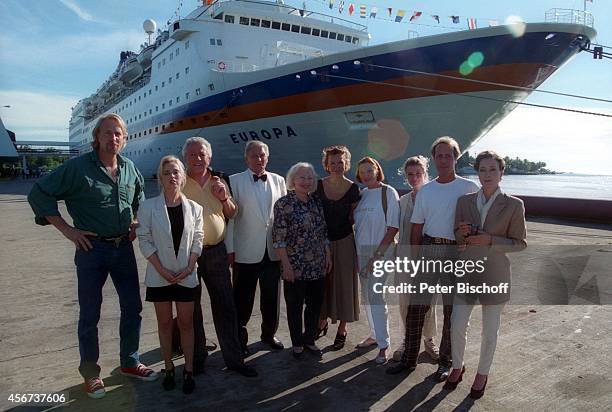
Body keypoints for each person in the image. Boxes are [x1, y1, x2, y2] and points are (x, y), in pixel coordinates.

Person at [27, 113, 157, 399]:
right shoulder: (77, 168)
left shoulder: (129, 168)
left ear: (124, 139)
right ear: (97, 137)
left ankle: (130, 362)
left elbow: (140, 200)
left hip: (122, 247)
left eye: (118, 134)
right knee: (90, 314)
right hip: (91, 249)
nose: (113, 138)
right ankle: (91, 374)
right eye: (108, 133)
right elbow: (39, 193)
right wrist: (67, 230)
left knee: (133, 308)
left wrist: (137, 222)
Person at [387, 136, 479, 380]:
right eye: (439, 155)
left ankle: (446, 362)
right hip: (429, 248)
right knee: (416, 308)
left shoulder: (469, 188)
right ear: (434, 158)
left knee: (451, 311)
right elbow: (417, 227)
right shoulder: (427, 190)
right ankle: (409, 360)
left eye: (448, 155)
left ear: (456, 157)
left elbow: (478, 223)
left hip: (455, 252)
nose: (443, 159)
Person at [444, 150, 527, 398]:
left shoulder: (514, 205)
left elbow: (520, 243)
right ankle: (457, 366)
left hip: (495, 274)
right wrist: (463, 234)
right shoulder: (464, 201)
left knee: (490, 331)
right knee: (457, 325)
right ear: (477, 172)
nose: (487, 174)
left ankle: (482, 373)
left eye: (493, 169)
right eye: (482, 170)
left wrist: (490, 240)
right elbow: (456, 235)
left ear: (501, 172)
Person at [182, 137, 257, 377]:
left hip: (215, 251)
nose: (197, 158)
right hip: (187, 254)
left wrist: (224, 197)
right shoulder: (178, 179)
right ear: (186, 158)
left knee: (226, 306)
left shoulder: (219, 179)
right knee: (192, 308)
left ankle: (234, 359)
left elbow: (233, 213)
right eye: (192, 154)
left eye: (202, 154)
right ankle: (197, 359)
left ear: (209, 157)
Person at [137, 156, 202, 394]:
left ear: (183, 177)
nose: (172, 176)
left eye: (175, 172)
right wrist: (161, 269)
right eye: (167, 173)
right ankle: (168, 367)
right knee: (164, 324)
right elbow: (144, 239)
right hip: (159, 274)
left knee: (186, 324)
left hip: (186, 274)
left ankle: (188, 370)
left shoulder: (195, 208)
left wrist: (189, 266)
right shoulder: (147, 207)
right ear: (160, 178)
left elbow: (198, 239)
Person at [227, 141, 287, 353]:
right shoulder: (233, 181)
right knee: (242, 301)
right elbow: (231, 219)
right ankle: (239, 340)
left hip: (272, 251)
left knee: (271, 299)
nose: (259, 159)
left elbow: (281, 218)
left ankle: (269, 334)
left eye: (262, 155)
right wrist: (230, 249)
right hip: (245, 251)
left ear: (267, 157)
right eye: (254, 156)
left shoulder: (279, 181)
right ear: (246, 158)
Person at [273, 162, 332, 358]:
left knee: (315, 304)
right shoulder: (283, 204)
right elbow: (279, 239)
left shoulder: (315, 202)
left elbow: (323, 232)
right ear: (292, 180)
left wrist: (327, 255)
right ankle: (297, 342)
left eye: (309, 178)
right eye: (302, 177)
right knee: (295, 305)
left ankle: (310, 339)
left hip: (317, 263)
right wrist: (286, 266)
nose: (306, 181)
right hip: (295, 265)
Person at [353, 156, 400, 364]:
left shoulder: (388, 193)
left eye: (369, 170)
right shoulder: (362, 195)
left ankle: (384, 344)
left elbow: (392, 228)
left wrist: (376, 257)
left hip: (381, 253)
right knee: (367, 296)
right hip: (361, 253)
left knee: (376, 296)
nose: (366, 174)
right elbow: (358, 229)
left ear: (377, 170)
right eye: (362, 171)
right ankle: (374, 335)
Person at [392, 156, 439, 362]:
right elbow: (397, 229)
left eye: (418, 174)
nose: (414, 178)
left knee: (427, 302)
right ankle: (407, 339)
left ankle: (429, 339)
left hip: (426, 256)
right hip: (404, 257)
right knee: (404, 301)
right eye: (410, 174)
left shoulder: (432, 196)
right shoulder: (402, 201)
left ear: (425, 173)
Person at [315, 145, 360, 350]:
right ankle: (321, 321)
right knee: (322, 283)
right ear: (326, 165)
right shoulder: (317, 186)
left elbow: (354, 218)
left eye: (340, 162)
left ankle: (342, 328)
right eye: (332, 162)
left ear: (346, 164)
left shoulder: (353, 189)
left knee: (344, 285)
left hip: (344, 241)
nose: (336, 166)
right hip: (321, 241)